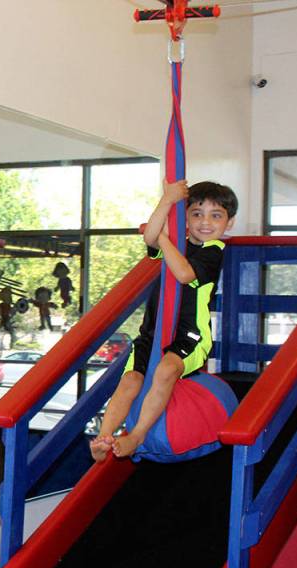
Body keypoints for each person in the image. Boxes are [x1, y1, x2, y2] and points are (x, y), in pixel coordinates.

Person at [90, 180, 236, 461]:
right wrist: (167, 200)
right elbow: (150, 236)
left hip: (190, 336)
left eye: (216, 215)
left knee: (167, 369)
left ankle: (138, 434)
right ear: (186, 217)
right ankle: (104, 439)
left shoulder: (214, 250)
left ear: (229, 223)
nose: (205, 222)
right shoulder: (177, 243)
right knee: (130, 380)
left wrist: (165, 239)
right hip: (153, 333)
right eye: (196, 214)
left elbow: (184, 274)